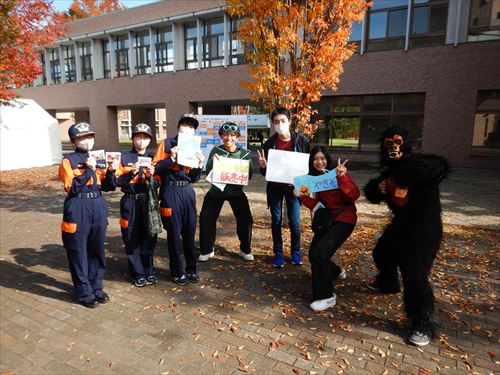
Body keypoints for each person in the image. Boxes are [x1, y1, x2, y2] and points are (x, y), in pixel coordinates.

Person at [364, 126, 449, 346]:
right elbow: (371, 193)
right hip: (402, 225)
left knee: (414, 273)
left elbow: (440, 167)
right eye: (388, 143)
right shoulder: (389, 172)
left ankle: (423, 324)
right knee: (382, 252)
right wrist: (379, 187)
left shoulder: (420, 165)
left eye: (398, 141)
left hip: (425, 229)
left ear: (406, 143)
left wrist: (402, 174)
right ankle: (388, 283)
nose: (393, 146)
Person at [58, 122, 115, 308]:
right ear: (74, 140)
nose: (88, 141)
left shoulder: (98, 157)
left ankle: (96, 287)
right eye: (83, 137)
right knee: (78, 251)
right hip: (78, 205)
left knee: (97, 249)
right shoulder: (69, 161)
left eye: (90, 136)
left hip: (97, 203)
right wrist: (89, 170)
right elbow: (72, 187)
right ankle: (83, 292)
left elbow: (107, 186)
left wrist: (111, 173)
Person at [299, 146, 360, 311]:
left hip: (345, 219)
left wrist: (342, 177)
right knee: (314, 254)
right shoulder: (314, 179)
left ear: (328, 159)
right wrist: (300, 194)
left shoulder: (338, 173)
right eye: (316, 159)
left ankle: (326, 296)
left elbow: (354, 195)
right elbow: (312, 202)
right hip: (327, 220)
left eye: (323, 158)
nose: (319, 162)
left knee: (320, 253)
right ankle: (336, 272)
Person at [153, 114, 204, 286]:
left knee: (189, 233)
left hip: (187, 191)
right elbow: (155, 169)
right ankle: (177, 272)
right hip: (171, 190)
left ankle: (191, 269)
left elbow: (195, 178)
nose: (187, 129)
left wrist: (200, 164)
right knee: (174, 235)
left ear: (195, 130)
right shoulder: (167, 144)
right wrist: (171, 158)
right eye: (185, 125)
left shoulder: (195, 146)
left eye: (191, 126)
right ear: (178, 127)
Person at [107, 123, 159, 287]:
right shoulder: (124, 157)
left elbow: (158, 185)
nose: (141, 140)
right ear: (133, 138)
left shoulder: (154, 158)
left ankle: (149, 270)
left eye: (145, 137)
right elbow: (116, 182)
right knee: (131, 237)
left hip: (148, 201)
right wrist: (131, 173)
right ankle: (137, 273)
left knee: (150, 236)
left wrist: (152, 177)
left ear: (149, 140)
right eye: (138, 137)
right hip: (130, 201)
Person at [257, 107, 309, 267]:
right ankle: (278, 254)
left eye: (283, 121)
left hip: (294, 188)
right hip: (275, 188)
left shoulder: (302, 141)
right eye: (276, 122)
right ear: (273, 124)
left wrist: (303, 191)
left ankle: (296, 253)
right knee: (276, 221)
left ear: (290, 121)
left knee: (295, 222)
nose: (280, 124)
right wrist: (263, 166)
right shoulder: (269, 143)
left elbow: (308, 167)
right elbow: (265, 172)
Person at [198, 122, 254, 262]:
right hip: (217, 191)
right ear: (221, 136)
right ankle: (207, 249)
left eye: (232, 135)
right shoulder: (216, 151)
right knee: (206, 217)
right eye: (225, 135)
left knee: (246, 219)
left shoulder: (244, 153)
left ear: (237, 137)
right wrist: (212, 161)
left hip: (236, 192)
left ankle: (245, 249)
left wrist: (249, 166)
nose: (229, 138)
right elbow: (209, 172)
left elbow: (250, 175)